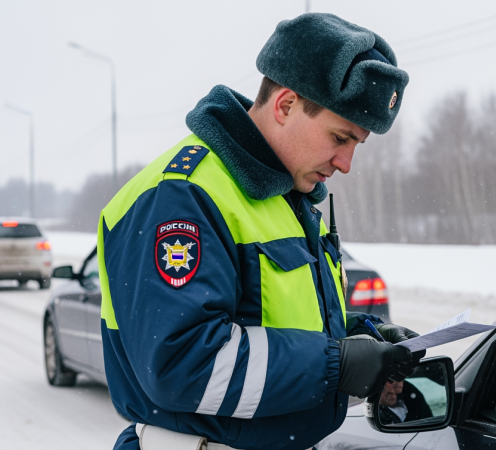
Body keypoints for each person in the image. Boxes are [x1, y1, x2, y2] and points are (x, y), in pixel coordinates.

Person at [97, 13, 423, 450]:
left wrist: (362, 337)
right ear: (285, 105)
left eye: (356, 145)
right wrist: (336, 364)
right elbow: (182, 365)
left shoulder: (285, 195)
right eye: (340, 138)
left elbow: (267, 318)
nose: (346, 164)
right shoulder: (182, 196)